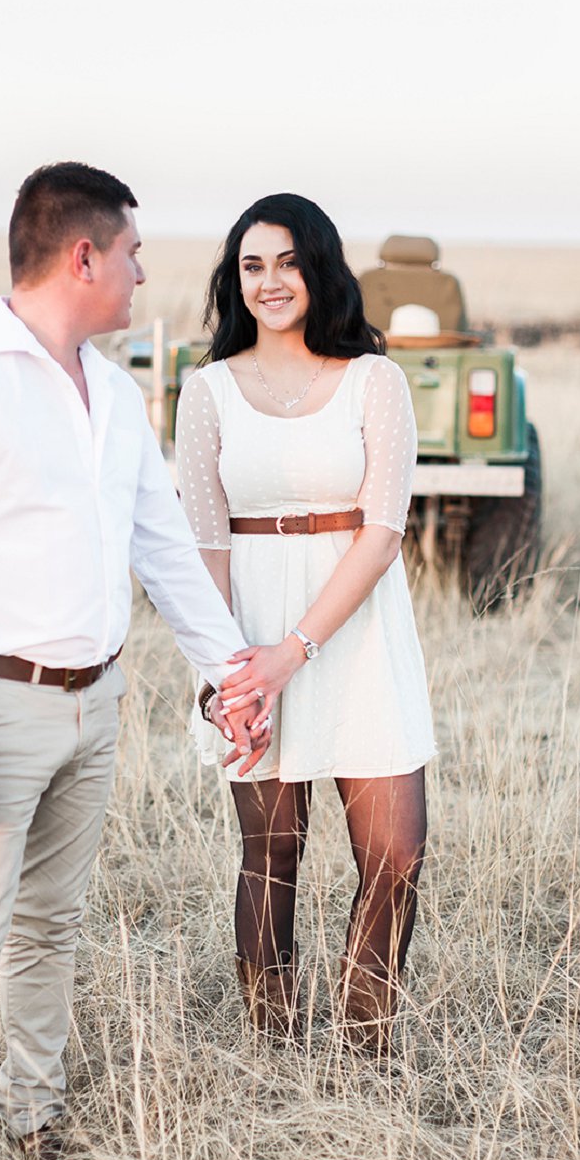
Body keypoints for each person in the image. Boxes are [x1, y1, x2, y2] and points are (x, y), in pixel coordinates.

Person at [0, 162, 267, 1160]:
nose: (143, 275)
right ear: (82, 256)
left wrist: (227, 669)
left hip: (99, 703)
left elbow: (164, 548)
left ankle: (34, 1123)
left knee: (53, 927)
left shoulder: (116, 395)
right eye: (133, 254)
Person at [174, 193, 437, 1052]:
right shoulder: (208, 390)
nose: (270, 282)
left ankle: (366, 1045)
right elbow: (207, 545)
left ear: (319, 267)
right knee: (271, 855)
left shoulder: (375, 379)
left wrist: (297, 651)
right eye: (252, 265)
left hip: (354, 634)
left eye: (287, 262)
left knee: (397, 850)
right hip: (248, 639)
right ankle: (275, 1048)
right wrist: (228, 676)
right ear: (234, 279)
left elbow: (385, 532)